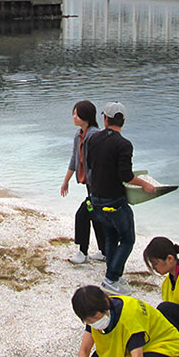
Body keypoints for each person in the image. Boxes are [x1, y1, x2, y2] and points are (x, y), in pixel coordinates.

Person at [86, 102, 156, 295]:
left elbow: (90, 164)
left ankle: (112, 274)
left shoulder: (93, 139)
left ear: (106, 119)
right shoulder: (124, 144)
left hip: (97, 198)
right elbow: (126, 175)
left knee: (110, 235)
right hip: (114, 200)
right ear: (123, 121)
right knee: (127, 239)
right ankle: (111, 279)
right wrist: (145, 184)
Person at [61, 100, 106, 264]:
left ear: (86, 116)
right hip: (89, 184)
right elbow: (74, 159)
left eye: (77, 114)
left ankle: (82, 252)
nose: (74, 116)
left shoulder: (94, 135)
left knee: (83, 214)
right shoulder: (78, 134)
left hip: (98, 185)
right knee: (96, 216)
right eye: (73, 113)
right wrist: (66, 181)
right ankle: (104, 251)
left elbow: (99, 163)